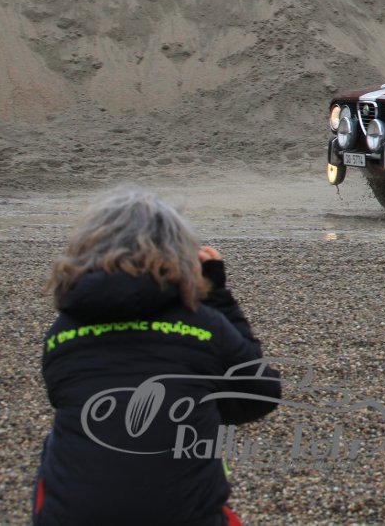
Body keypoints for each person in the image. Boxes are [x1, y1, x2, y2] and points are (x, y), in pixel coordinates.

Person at [33, 186, 280, 526]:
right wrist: (216, 294)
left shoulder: (62, 333)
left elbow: (66, 393)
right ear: (179, 252)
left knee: (57, 440)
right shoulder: (203, 324)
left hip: (73, 518)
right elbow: (261, 394)